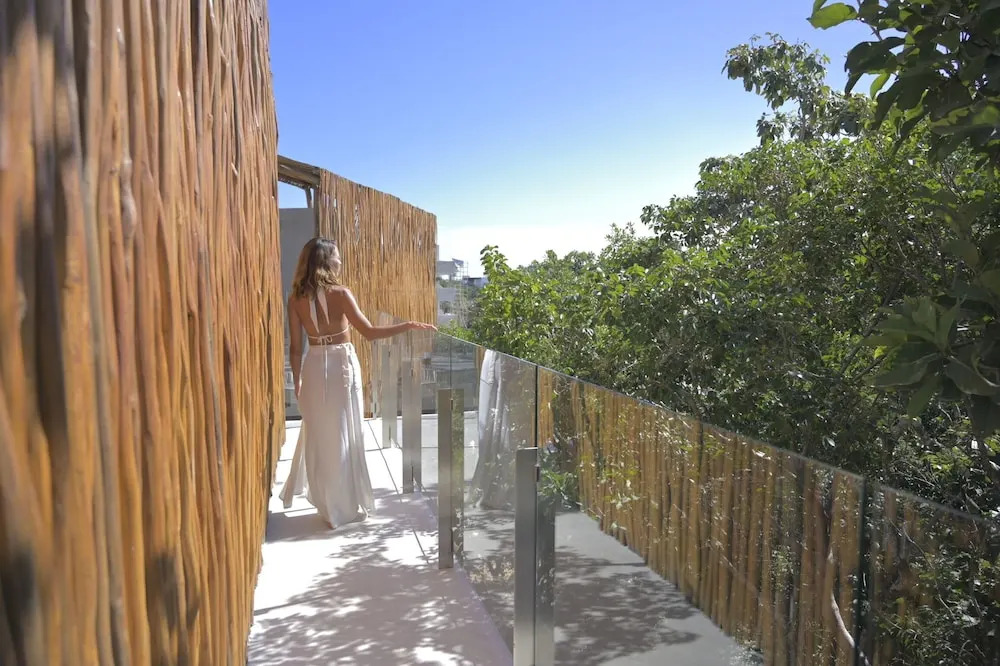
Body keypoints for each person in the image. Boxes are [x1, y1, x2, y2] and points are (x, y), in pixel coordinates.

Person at [280, 237, 436, 529]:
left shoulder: (296, 298)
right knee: (344, 431)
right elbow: (370, 332)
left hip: (313, 365)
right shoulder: (341, 293)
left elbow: (295, 347)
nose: (340, 261)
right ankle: (342, 504)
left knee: (321, 433)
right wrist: (408, 325)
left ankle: (327, 503)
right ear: (327, 261)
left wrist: (297, 380)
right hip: (341, 363)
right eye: (337, 256)